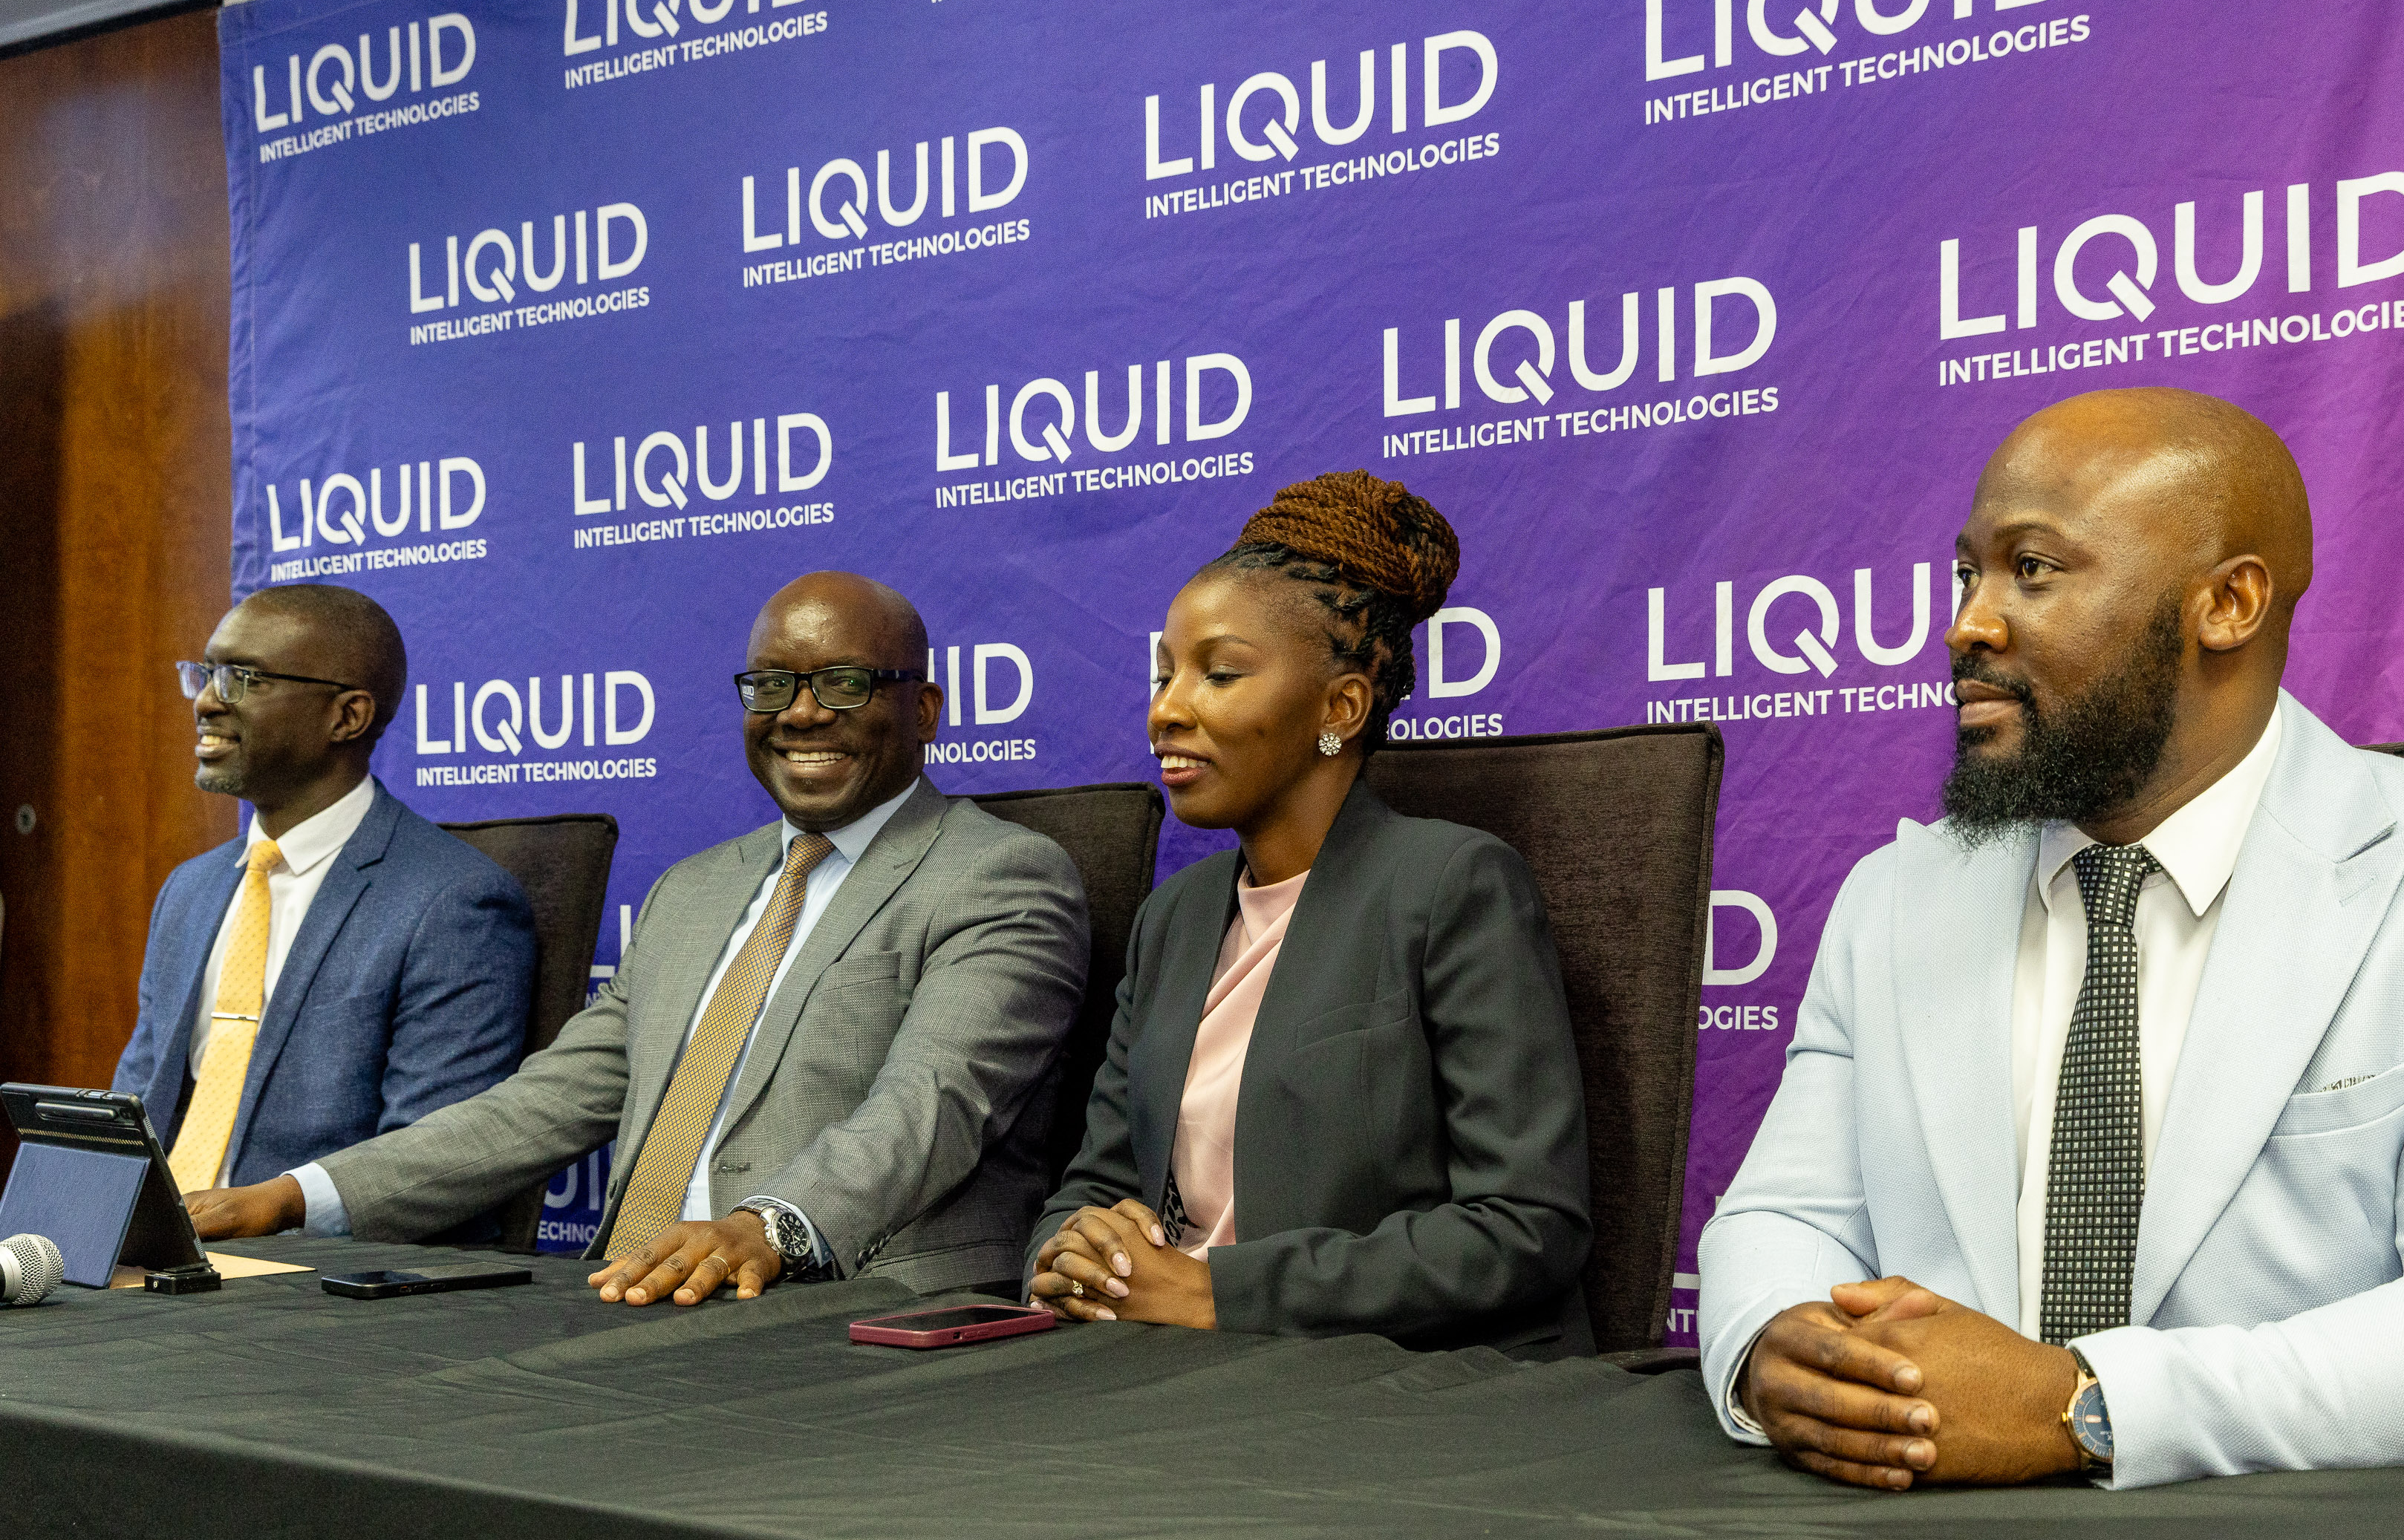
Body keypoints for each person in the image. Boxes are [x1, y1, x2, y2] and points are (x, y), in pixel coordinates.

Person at [1699, 387, 2404, 1490]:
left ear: (2228, 604)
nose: (1967, 625)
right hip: (1918, 1531)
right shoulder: (1895, 898)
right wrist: (1782, 1349)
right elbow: (1784, 1217)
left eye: (2031, 569)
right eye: (1967, 574)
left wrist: (2085, 1407)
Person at [190, 572, 1091, 1312]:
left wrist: (765, 1228)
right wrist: (296, 1196)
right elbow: (541, 1105)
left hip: (856, 1311)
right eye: (771, 685)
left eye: (844, 683)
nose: (802, 713)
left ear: (925, 709)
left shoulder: (999, 876)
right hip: (627, 1298)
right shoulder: (692, 892)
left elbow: (930, 1105)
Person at [1028, 472, 1592, 1357]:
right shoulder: (1173, 918)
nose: (1167, 709)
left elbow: (1525, 1225)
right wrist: (1067, 1253)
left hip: (1389, 1381)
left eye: (1219, 674)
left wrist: (1217, 1292)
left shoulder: (1452, 886)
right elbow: (1096, 1181)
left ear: (1341, 707)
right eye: (1164, 674)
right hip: (1161, 1360)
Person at [118, 584, 534, 1200]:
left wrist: (271, 1214)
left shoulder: (455, 903)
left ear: (347, 717)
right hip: (147, 1239)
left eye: (242, 679)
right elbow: (133, 1107)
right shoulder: (189, 889)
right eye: (205, 674)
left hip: (300, 1252)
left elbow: (426, 1167)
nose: (206, 700)